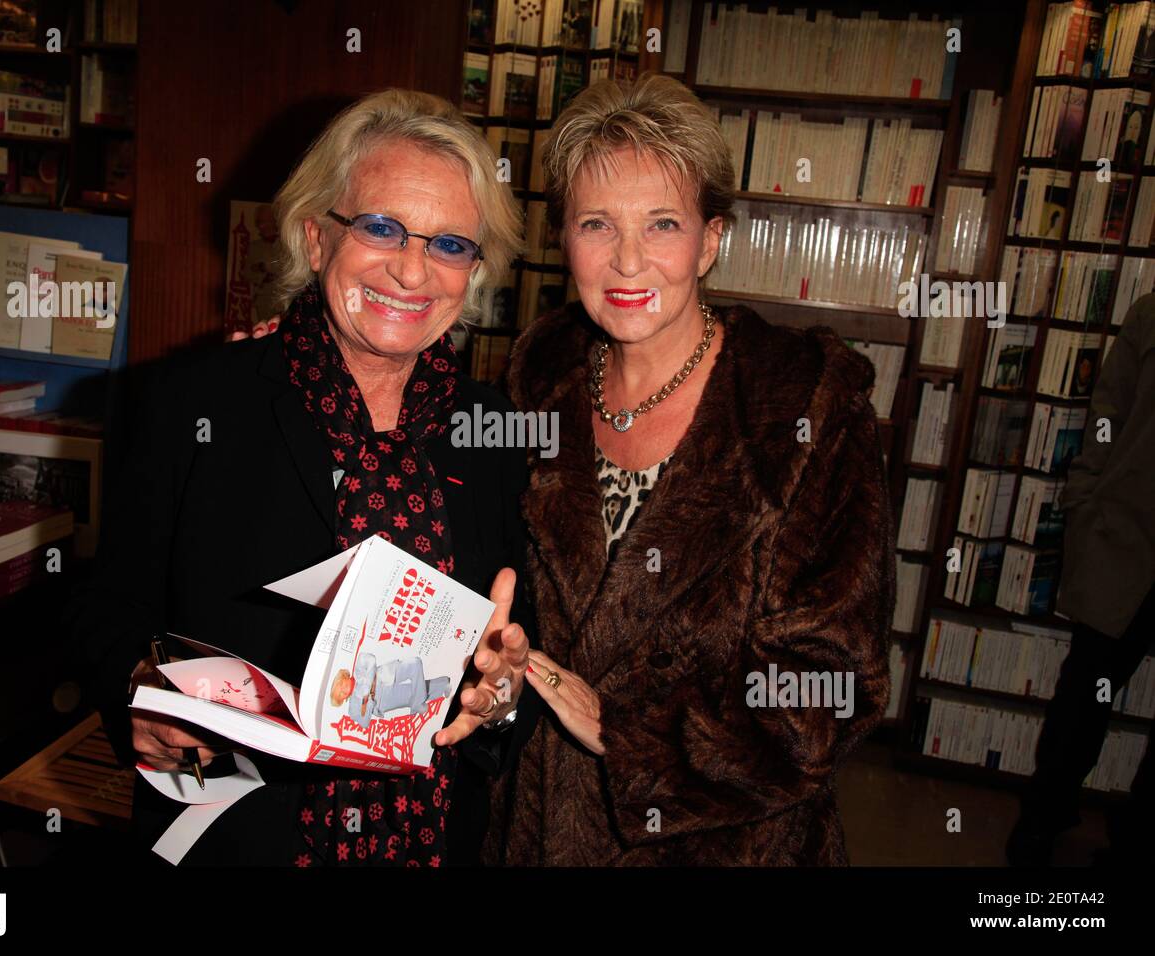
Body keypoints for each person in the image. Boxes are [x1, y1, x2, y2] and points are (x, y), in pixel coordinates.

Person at [68, 87, 539, 867]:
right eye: (382, 226)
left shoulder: (494, 435)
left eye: (451, 243)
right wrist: (134, 687)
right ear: (317, 239)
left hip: (431, 843)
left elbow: (517, 655)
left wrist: (501, 699)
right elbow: (99, 610)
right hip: (233, 846)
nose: (413, 270)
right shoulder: (190, 404)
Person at [483, 74, 895, 866]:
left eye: (662, 223)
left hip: (727, 844)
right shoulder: (541, 374)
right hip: (537, 827)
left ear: (709, 240)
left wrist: (635, 737)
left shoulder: (805, 405)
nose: (628, 259)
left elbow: (832, 688)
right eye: (596, 223)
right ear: (562, 238)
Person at [1006, 297, 1155, 867]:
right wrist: (1085, 499)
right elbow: (1107, 411)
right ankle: (1043, 818)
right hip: (1126, 537)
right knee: (1085, 695)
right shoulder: (1148, 316)